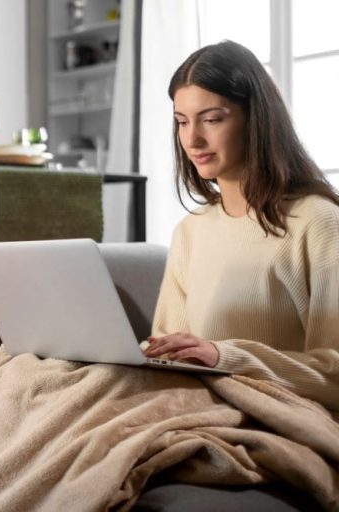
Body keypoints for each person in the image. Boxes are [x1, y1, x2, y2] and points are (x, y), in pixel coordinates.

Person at [142, 40, 339, 410]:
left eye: (212, 119)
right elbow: (166, 353)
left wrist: (224, 357)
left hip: (279, 412)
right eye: (182, 122)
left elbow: (335, 376)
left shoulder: (319, 223)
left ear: (257, 119)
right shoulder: (191, 231)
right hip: (192, 405)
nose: (192, 139)